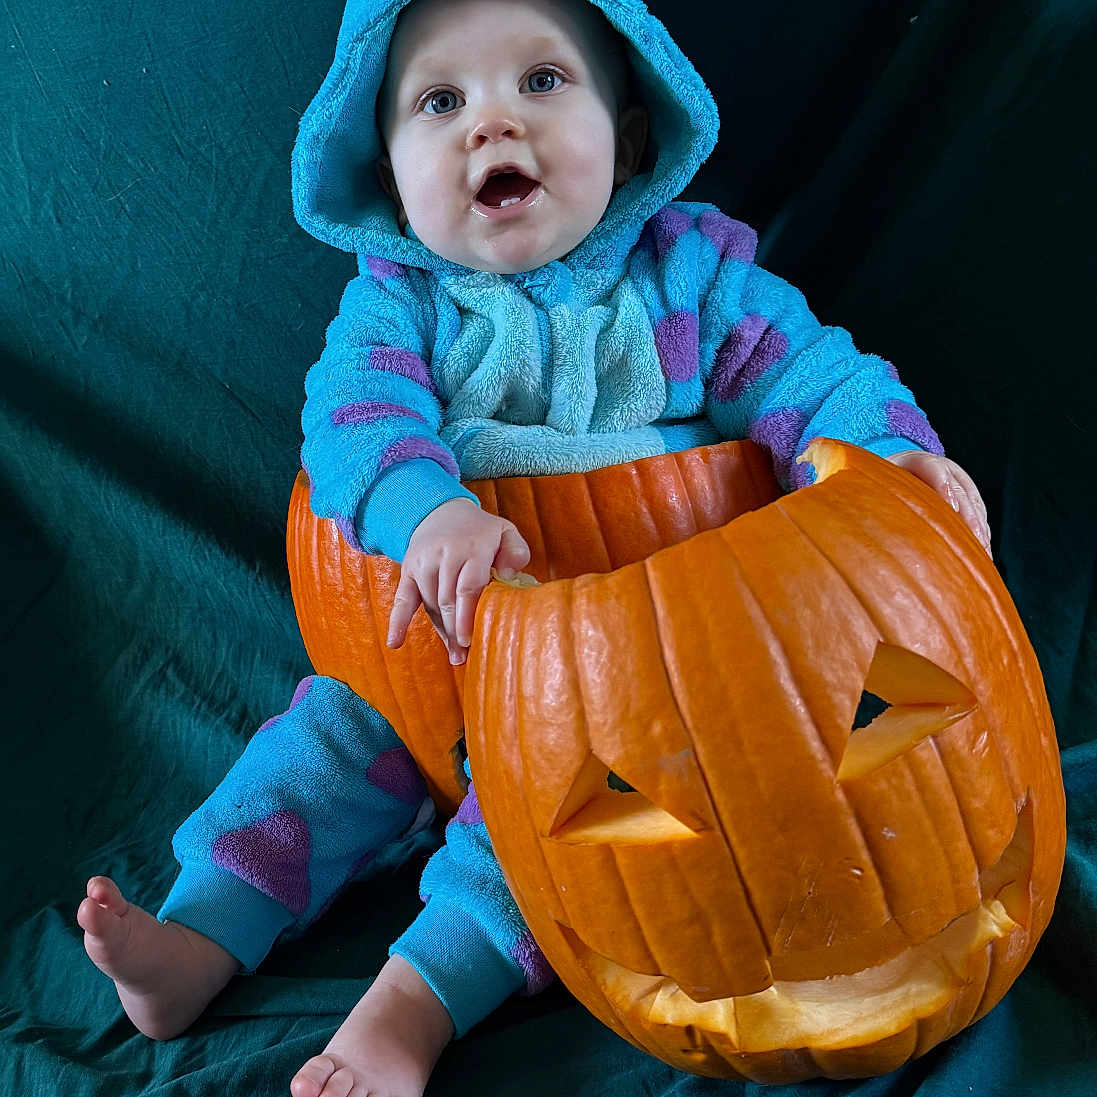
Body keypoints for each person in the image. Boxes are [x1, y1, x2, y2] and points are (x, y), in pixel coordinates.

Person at [77, 1, 993, 1095]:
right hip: (420, 660)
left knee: (567, 834)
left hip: (634, 696)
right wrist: (428, 512)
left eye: (542, 83)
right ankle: (198, 937)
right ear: (389, 173)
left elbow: (812, 380)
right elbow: (352, 422)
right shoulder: (400, 309)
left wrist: (890, 459)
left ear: (632, 130)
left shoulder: (694, 279)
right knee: (309, 754)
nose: (489, 126)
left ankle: (404, 1011)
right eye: (440, 101)